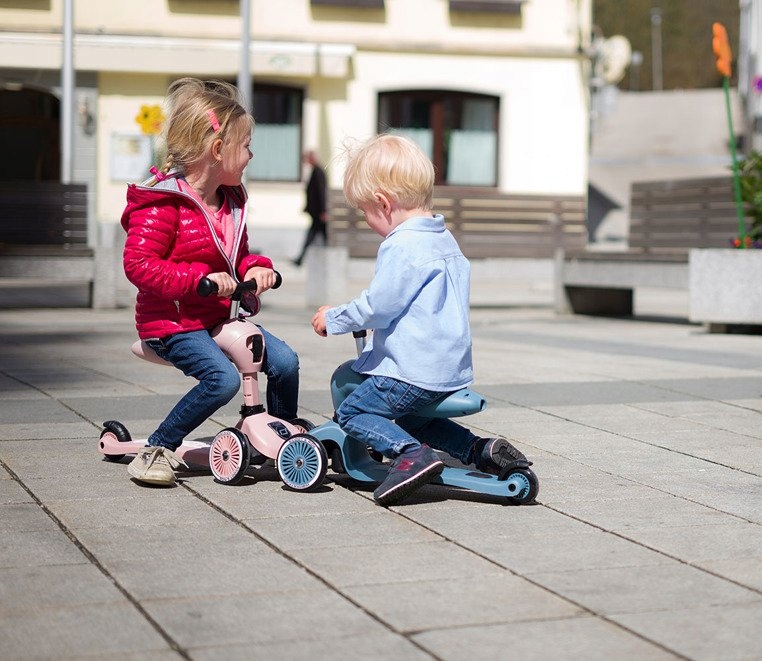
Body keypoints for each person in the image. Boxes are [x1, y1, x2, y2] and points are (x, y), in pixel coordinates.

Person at [311, 134, 531, 506]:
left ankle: (411, 455)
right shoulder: (443, 237)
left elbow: (379, 305)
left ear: (383, 203)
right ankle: (480, 449)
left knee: (353, 410)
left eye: (365, 211)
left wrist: (334, 318)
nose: (367, 221)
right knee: (416, 419)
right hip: (448, 370)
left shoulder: (402, 244)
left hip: (412, 371)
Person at [121, 77, 300, 486]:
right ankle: (157, 449)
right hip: (172, 323)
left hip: (217, 317)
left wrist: (256, 268)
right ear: (218, 150)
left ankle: (282, 434)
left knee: (285, 361)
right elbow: (138, 264)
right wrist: (197, 280)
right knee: (222, 380)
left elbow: (240, 255)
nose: (251, 155)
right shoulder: (164, 203)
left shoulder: (230, 202)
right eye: (246, 146)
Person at [292, 150, 328, 266]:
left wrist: (323, 211)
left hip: (318, 212)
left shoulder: (318, 172)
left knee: (315, 235)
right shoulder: (315, 171)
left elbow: (321, 192)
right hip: (316, 212)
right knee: (320, 235)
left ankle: (301, 258)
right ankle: (302, 258)